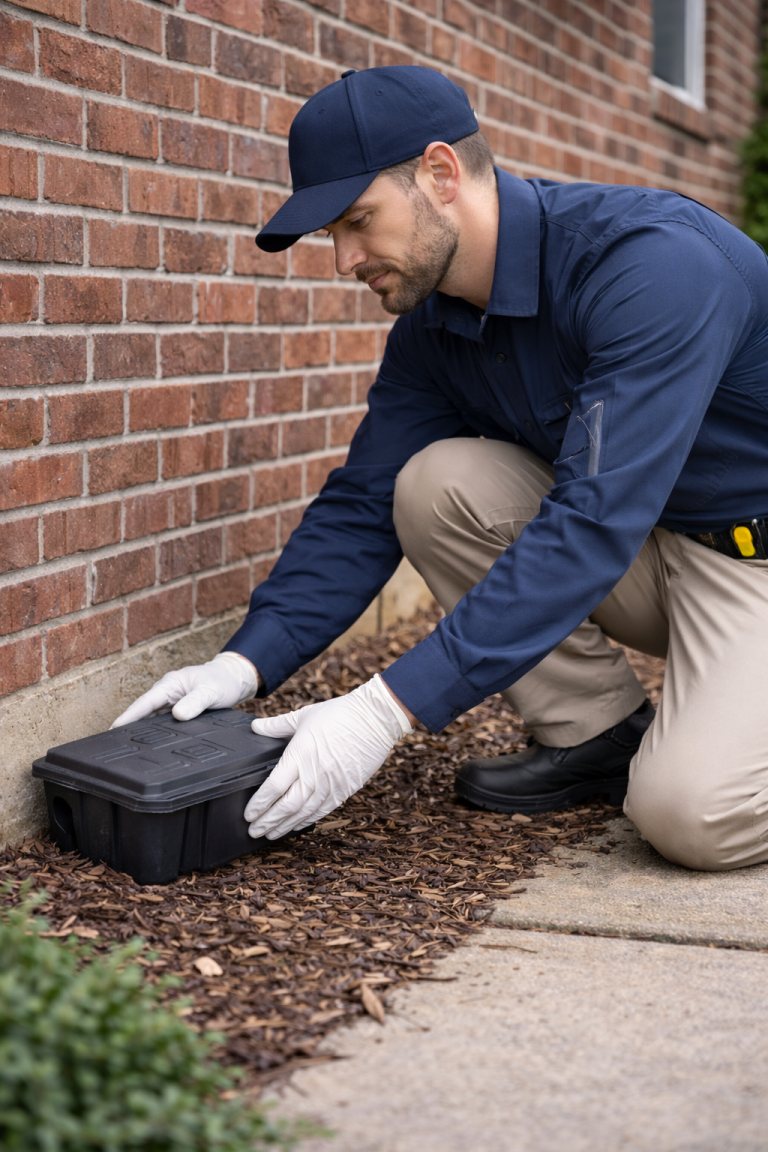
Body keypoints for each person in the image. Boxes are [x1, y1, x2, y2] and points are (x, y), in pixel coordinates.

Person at [113, 65, 768, 873]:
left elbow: (592, 524)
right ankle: (599, 737)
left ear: (440, 173)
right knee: (433, 483)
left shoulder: (651, 267)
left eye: (358, 220)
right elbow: (364, 500)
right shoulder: (434, 328)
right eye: (331, 235)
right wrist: (244, 662)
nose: (343, 259)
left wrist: (383, 712)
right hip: (654, 542)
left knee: (692, 814)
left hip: (749, 561)